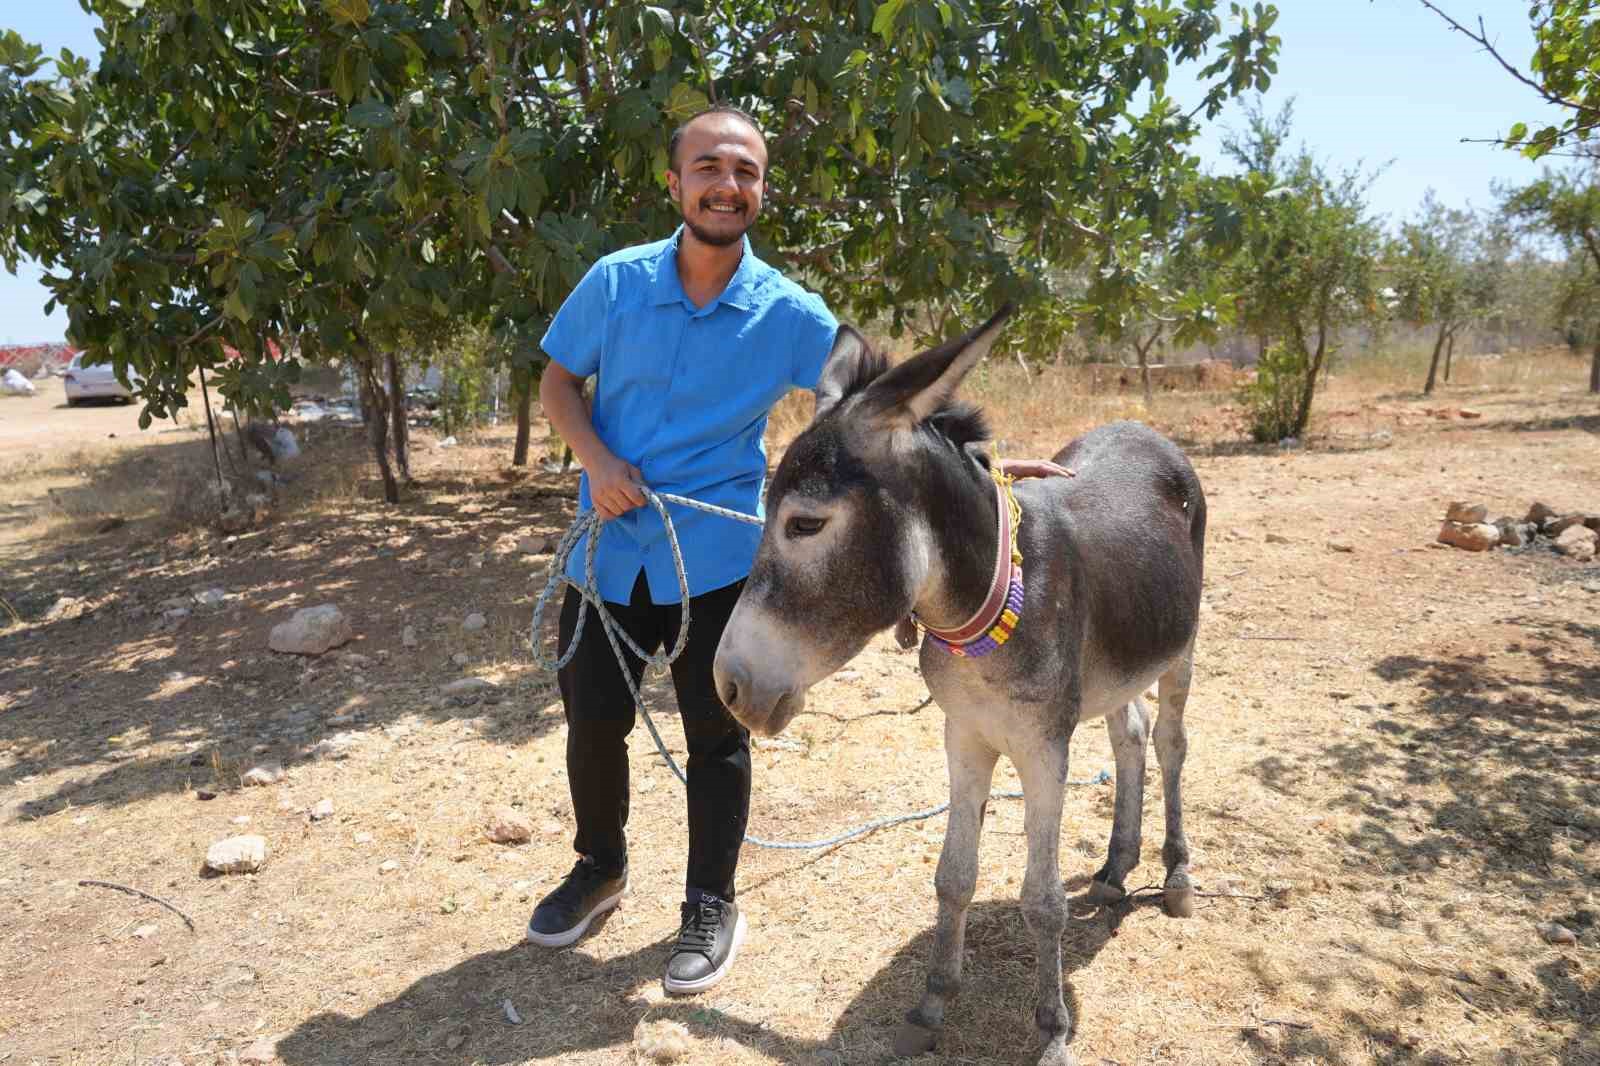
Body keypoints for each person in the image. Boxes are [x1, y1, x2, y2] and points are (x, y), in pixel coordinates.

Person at [528, 105, 839, 995]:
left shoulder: (786, 311)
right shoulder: (616, 283)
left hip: (717, 563)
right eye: (708, 166)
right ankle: (599, 868)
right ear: (675, 183)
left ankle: (711, 902)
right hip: (605, 557)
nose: (726, 184)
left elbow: (874, 392)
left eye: (745, 171)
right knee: (593, 723)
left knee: (717, 735)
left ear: (761, 190)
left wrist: (979, 462)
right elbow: (558, 381)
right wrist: (593, 457)